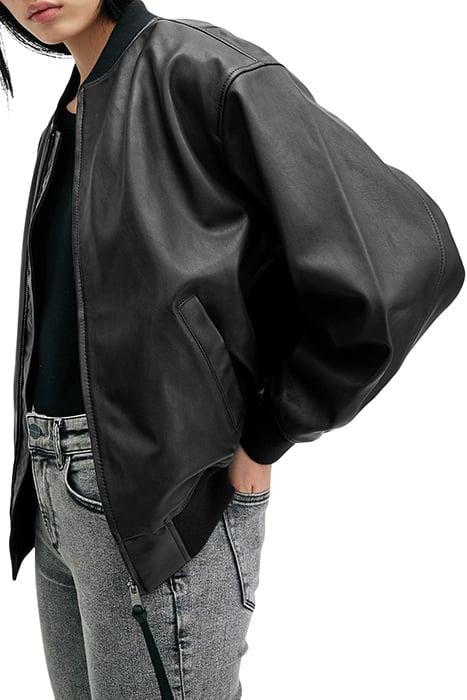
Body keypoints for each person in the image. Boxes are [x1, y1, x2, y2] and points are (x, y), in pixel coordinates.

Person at [1, 0, 464, 698]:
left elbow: (401, 261)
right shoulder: (75, 106)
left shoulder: (200, 70)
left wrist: (270, 430)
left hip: (164, 500)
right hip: (54, 496)